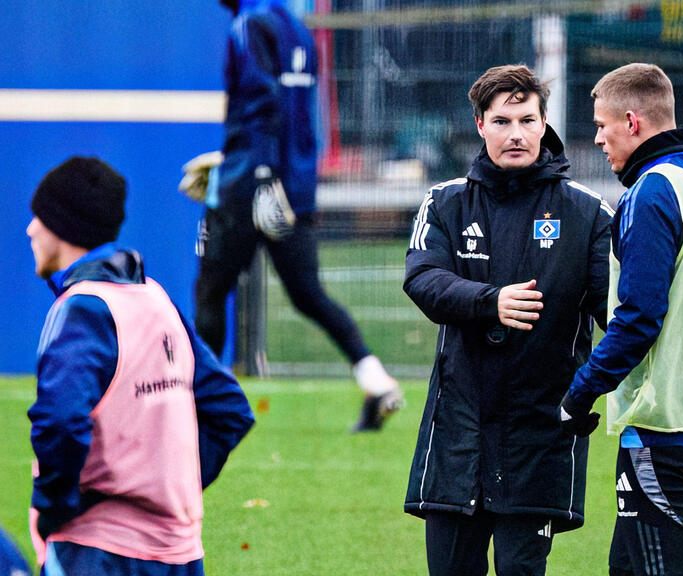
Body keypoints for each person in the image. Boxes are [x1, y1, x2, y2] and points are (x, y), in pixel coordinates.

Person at [403, 64, 614, 575]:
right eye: (501, 121)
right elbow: (423, 278)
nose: (515, 134)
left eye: (526, 120)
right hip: (459, 430)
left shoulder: (589, 214)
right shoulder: (445, 202)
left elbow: (624, 315)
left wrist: (592, 389)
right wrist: (488, 301)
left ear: (545, 124)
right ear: (479, 125)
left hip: (539, 432)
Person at [559, 63, 683, 576]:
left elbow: (638, 317)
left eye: (602, 126)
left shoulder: (649, 193)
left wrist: (580, 393)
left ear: (632, 122)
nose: (598, 140)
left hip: (663, 429)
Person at [25, 157, 256, 575]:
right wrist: (163, 489)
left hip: (96, 549)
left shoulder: (80, 309)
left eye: (38, 216)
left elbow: (60, 423)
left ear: (62, 225)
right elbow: (230, 411)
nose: (30, 229)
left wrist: (55, 508)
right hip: (180, 552)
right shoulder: (155, 297)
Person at [183, 0, 402, 431]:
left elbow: (261, 103)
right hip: (296, 187)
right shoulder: (296, 27)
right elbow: (297, 112)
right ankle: (376, 381)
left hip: (251, 185)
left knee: (211, 290)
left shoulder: (249, 23)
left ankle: (203, 408)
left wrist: (256, 170)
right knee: (308, 295)